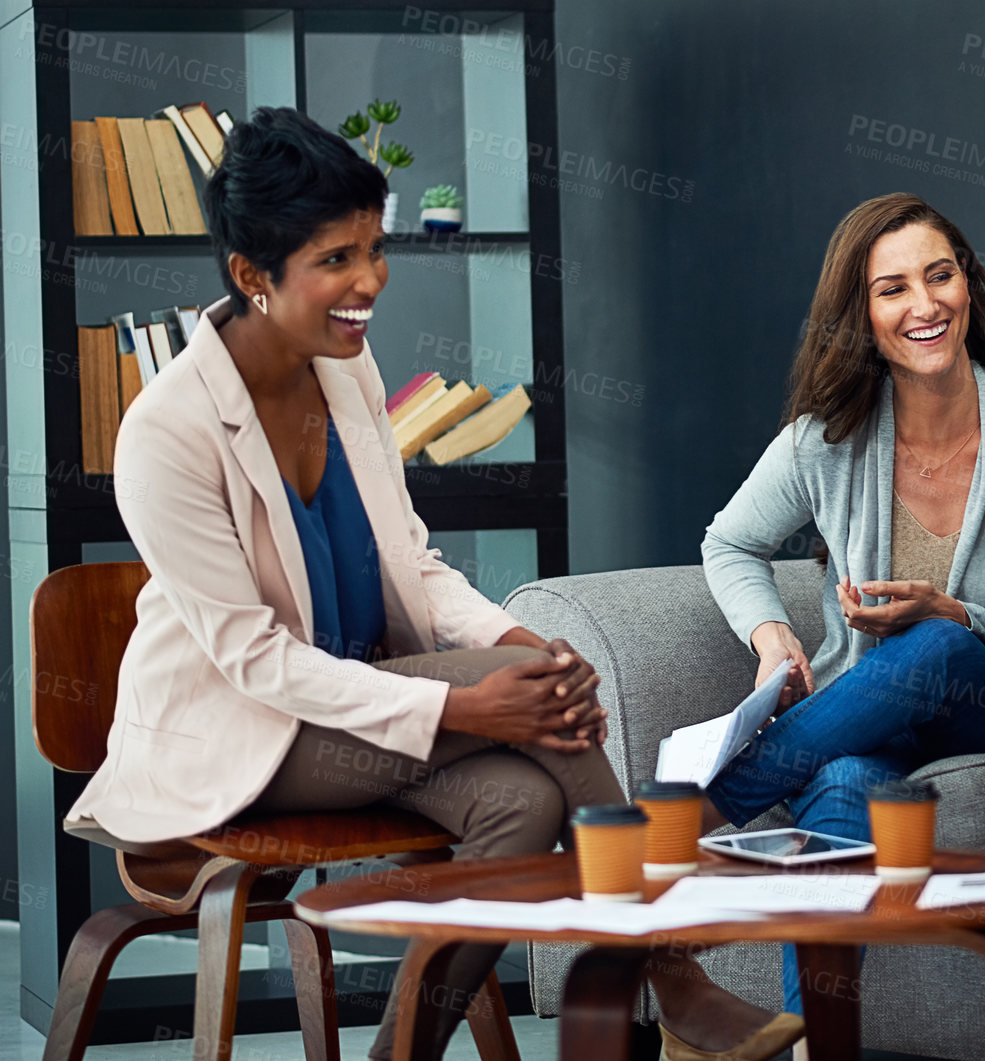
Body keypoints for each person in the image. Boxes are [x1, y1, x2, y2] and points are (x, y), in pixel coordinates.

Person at [62, 108, 801, 1061]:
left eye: (375, 248)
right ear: (252, 276)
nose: (368, 281)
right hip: (246, 728)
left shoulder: (347, 365)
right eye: (336, 259)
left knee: (525, 802)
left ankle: (403, 1051)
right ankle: (673, 973)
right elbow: (253, 660)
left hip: (366, 691)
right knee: (530, 710)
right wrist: (476, 701)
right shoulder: (166, 432)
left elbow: (411, 558)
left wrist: (511, 644)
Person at [699, 193, 985, 1022]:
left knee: (935, 649)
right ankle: (823, 1046)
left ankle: (706, 808)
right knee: (845, 782)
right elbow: (729, 543)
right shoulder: (825, 440)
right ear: (862, 314)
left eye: (940, 276)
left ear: (970, 287)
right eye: (893, 289)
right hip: (868, 726)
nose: (924, 305)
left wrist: (959, 616)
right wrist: (771, 634)